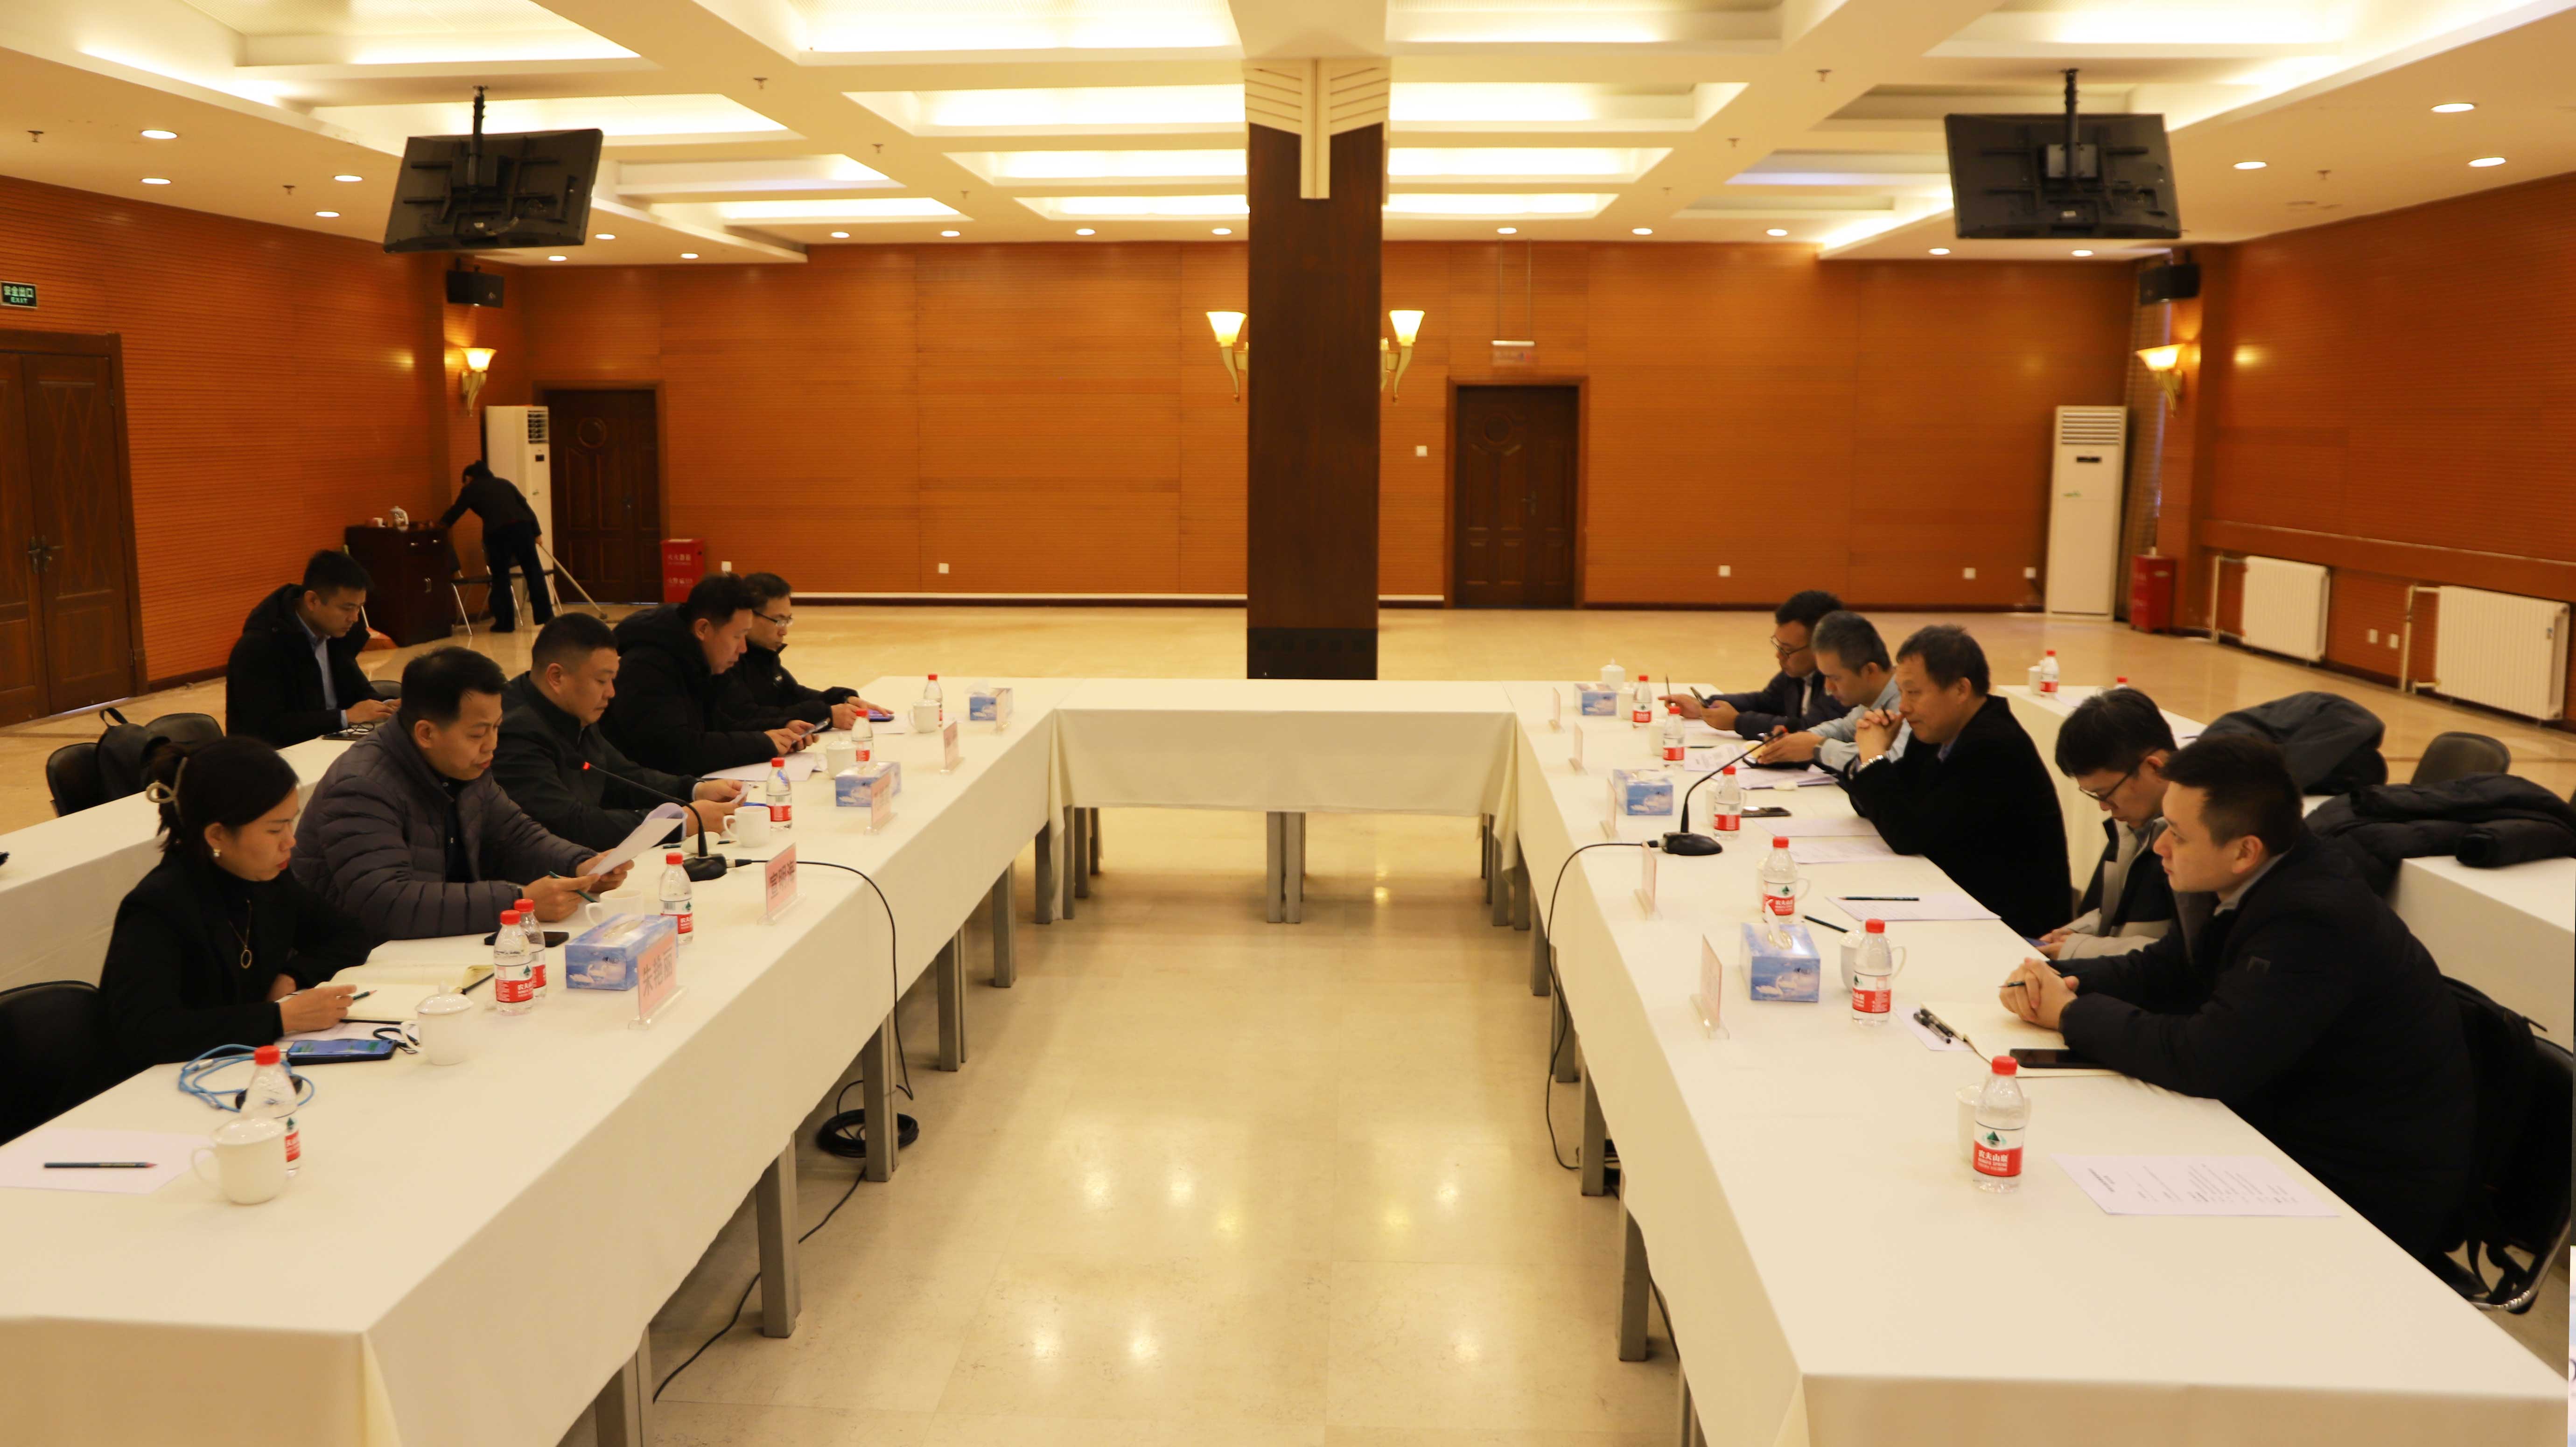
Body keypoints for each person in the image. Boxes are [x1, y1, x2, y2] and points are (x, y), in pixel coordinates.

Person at [2000, 734, 2475, 1264]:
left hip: (2360, 1188)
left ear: (2245, 850)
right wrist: (2058, 978)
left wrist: (2070, 1013)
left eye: (2178, 835)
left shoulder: (2313, 919)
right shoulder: (2253, 877)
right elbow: (2167, 969)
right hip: (2286, 1128)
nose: (2160, 847)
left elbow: (2206, 1058)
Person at [292, 647, 630, 939]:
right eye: (478, 734)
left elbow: (515, 836)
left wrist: (580, 864)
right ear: (426, 733)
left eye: (497, 727)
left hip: (432, 942)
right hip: (354, 961)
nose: (492, 745)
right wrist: (518, 902)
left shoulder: (463, 765)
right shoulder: (362, 787)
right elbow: (387, 904)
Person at [98, 737, 373, 1068]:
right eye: (275, 830)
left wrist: (292, 976)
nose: (291, 841)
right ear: (217, 835)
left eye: (291, 821)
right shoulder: (158, 908)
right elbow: (147, 1032)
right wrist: (280, 1018)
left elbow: (349, 933)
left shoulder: (266, 877)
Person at [1841, 624, 2068, 937]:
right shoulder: (1938, 731)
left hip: (2013, 932)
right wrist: (1870, 760)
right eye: (1901, 692)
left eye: (1914, 692)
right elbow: (1879, 806)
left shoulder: (1994, 746)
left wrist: (1874, 758)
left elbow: (1907, 834)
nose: (1903, 706)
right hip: (1956, 902)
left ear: (1961, 690)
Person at [494, 614, 744, 853]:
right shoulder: (513, 733)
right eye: (602, 681)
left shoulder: (571, 707)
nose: (611, 693)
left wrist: (693, 790)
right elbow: (569, 825)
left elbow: (622, 776)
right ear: (557, 677)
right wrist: (678, 823)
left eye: (613, 680)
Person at [601, 573, 813, 776]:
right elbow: (675, 751)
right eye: (737, 636)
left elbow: (721, 723)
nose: (743, 649)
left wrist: (779, 730)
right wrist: (761, 743)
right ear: (703, 629)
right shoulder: (647, 668)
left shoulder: (701, 660)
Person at [2038, 689, 2180, 960]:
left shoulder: (2199, 836)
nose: (2104, 807)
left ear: (2155, 767)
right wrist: (2075, 933)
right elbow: (2116, 916)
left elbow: (2180, 955)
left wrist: (2077, 948)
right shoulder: (2134, 824)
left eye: (2106, 794)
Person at [224, 550, 396, 748]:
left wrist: (386, 706)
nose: (354, 618)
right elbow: (267, 727)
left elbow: (357, 692)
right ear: (312, 601)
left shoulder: (337, 634)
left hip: (327, 747)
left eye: (359, 607)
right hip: (275, 757)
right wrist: (345, 717)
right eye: (347, 608)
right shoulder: (259, 647)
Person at [1658, 589, 1847, 739]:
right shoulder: (1798, 671)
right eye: (1778, 646)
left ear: (1821, 647)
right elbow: (1764, 702)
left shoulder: (1840, 682)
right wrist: (1704, 705)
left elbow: (1810, 730)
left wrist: (1737, 722)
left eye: (1787, 649)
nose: (1779, 655)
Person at [728, 573, 884, 731]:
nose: (784, 632)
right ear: (749, 616)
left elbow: (794, 695)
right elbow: (747, 716)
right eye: (779, 621)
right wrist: (826, 715)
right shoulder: (728, 661)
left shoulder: (764, 655)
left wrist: (842, 699)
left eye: (787, 621)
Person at [1752, 610, 1898, 775]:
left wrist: (1817, 747)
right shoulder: (1874, 698)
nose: (1828, 688)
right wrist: (1800, 740)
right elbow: (1844, 729)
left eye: (1835, 678)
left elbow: (1891, 762)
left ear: (1870, 671)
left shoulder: (1906, 704)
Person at [439, 460, 553, 634]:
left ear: (469, 478)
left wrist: (440, 527)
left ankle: (505, 623)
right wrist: (537, 532)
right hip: (524, 529)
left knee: (501, 577)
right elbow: (525, 506)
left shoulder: (471, 489)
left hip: (498, 532)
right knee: (534, 573)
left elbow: (456, 511)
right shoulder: (505, 483)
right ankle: (546, 618)